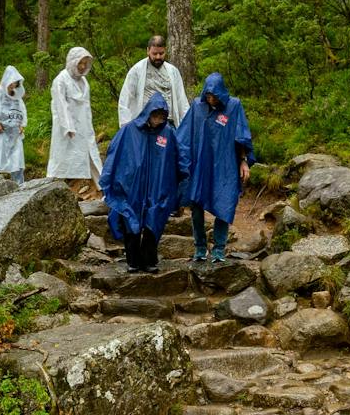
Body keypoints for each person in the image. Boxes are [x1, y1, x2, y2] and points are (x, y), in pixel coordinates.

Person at [99, 93, 188, 273]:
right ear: (148, 112)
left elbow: (180, 156)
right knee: (131, 221)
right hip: (132, 187)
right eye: (155, 115)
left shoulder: (168, 133)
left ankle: (148, 261)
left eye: (162, 117)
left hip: (158, 187)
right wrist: (110, 179)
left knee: (153, 221)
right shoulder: (129, 130)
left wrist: (183, 176)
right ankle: (133, 261)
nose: (158, 120)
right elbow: (114, 154)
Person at [180, 72, 255, 262]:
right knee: (196, 204)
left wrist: (244, 161)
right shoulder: (197, 107)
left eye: (214, 96)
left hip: (225, 164)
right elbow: (184, 136)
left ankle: (219, 248)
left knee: (225, 201)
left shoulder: (233, 106)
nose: (211, 99)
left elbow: (241, 135)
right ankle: (200, 246)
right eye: (208, 95)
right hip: (200, 164)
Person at [47, 46, 101, 196]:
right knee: (61, 160)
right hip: (67, 130)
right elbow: (60, 105)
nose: (83, 67)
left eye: (85, 63)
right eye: (80, 63)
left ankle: (103, 187)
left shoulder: (84, 82)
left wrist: (88, 126)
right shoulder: (61, 80)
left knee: (91, 154)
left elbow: (86, 106)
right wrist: (68, 127)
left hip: (84, 127)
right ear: (72, 61)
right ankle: (49, 187)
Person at [118, 34, 188, 128]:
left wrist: (186, 126)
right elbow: (125, 99)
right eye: (154, 54)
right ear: (148, 51)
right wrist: (126, 128)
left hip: (168, 123)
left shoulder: (173, 71)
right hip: (145, 124)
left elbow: (181, 100)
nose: (158, 57)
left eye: (161, 53)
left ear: (166, 51)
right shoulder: (136, 71)